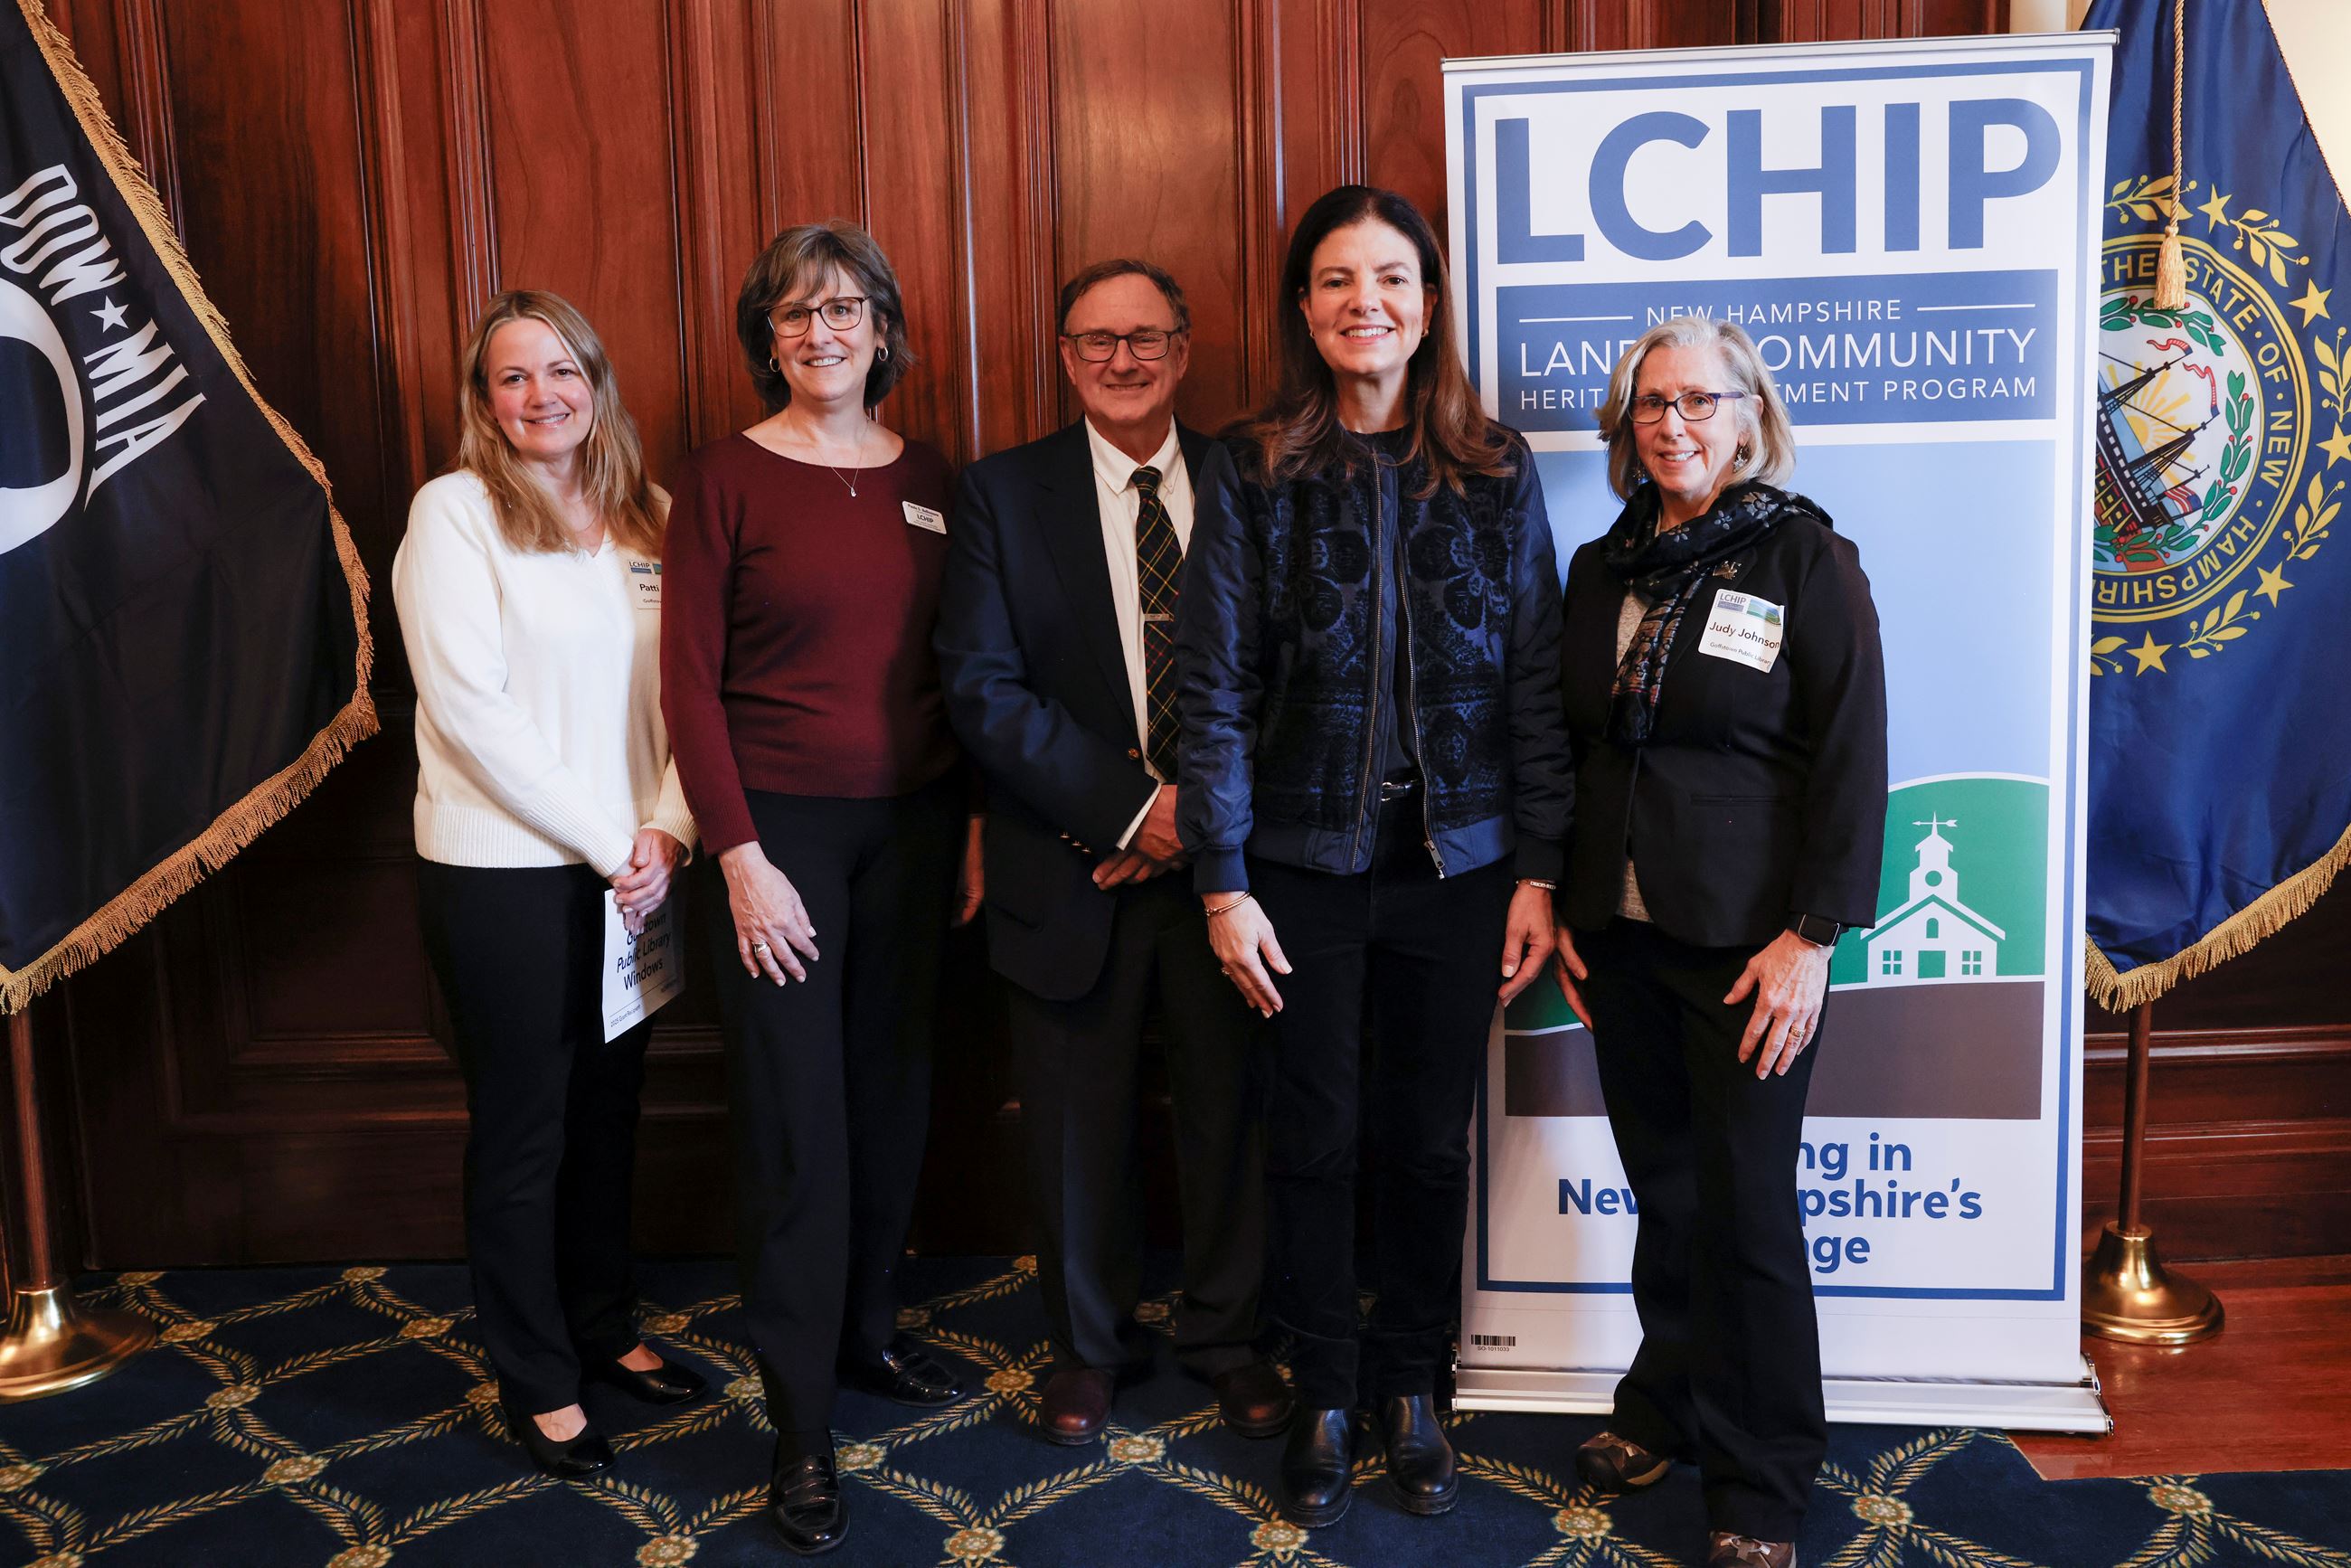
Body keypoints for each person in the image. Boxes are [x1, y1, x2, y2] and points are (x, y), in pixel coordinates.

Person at [1176, 185, 1572, 1528]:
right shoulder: (1252, 465)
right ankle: (1327, 1388)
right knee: (1315, 1135)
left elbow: (1535, 679)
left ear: (1430, 299)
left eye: (1391, 277)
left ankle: (1417, 1384)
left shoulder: (1497, 466)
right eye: (1337, 280)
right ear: (1304, 308)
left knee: (1423, 1139)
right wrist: (1222, 880)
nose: (1366, 302)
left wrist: (1536, 869)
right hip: (1297, 865)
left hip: (1460, 866)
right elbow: (1212, 686)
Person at [660, 221, 978, 1558]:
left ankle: (866, 1335)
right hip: (776, 842)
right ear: (767, 337)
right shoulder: (724, 477)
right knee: (798, 1127)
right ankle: (799, 1419)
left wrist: (964, 828)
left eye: (844, 308)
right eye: (794, 314)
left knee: (892, 1099)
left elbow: (963, 665)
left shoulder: (935, 478)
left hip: (913, 834)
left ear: (885, 329)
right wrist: (737, 857)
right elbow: (684, 682)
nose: (821, 332)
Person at [1550, 316, 1886, 1568]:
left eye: (1700, 400)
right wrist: (1565, 896)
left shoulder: (1804, 557)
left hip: (1754, 945)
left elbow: (1854, 750)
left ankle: (1764, 1478)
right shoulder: (1600, 566)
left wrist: (1815, 935)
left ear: (1750, 416)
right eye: (1651, 403)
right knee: (1670, 1190)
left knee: (1747, 1208)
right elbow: (1573, 742)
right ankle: (1668, 1402)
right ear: (1626, 425)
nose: (1675, 423)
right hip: (1622, 938)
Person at [935, 259, 1288, 1448]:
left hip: (1229, 874)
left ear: (1184, 351)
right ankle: (1086, 1346)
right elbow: (984, 691)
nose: (1123, 360)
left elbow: (1300, 669)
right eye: (1097, 342)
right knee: (1073, 1125)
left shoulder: (1255, 475)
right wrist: (1144, 812)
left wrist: (1205, 820)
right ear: (1066, 359)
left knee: (1229, 1112)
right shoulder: (1001, 494)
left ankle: (1229, 1335)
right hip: (1071, 861)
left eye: (1146, 338)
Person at [392, 290, 706, 1480]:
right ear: (483, 401)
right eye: (513, 377)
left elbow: (693, 692)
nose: (542, 395)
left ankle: (602, 1324)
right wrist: (609, 838)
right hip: (507, 875)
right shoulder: (457, 513)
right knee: (527, 1128)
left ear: (598, 384)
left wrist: (667, 830)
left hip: (636, 869)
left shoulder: (650, 515)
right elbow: (471, 710)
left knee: (609, 1111)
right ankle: (536, 1373)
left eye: (562, 370)